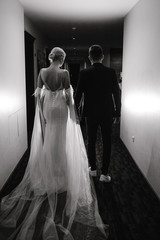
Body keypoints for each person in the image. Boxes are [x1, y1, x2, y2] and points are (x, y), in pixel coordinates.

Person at [0, 47, 108, 239]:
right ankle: (60, 171)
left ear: (51, 58)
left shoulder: (42, 72)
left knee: (49, 136)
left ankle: (48, 171)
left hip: (48, 108)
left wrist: (41, 116)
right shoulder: (65, 73)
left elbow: (39, 98)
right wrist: (73, 116)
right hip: (60, 109)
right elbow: (68, 97)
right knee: (61, 138)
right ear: (62, 58)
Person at [75, 45, 121, 182]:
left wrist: (75, 111)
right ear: (102, 57)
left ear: (90, 57)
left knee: (91, 141)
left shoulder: (84, 73)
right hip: (107, 112)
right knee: (107, 142)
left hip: (90, 112)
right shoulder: (111, 72)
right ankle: (104, 174)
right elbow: (116, 94)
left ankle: (93, 169)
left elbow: (78, 95)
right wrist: (117, 113)